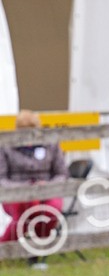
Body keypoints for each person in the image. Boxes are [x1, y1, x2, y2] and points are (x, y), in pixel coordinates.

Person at [0, 110, 67, 262]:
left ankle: (35, 253)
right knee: (27, 210)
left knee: (50, 211)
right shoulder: (6, 147)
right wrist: (25, 188)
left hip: (47, 193)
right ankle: (4, 249)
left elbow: (62, 174)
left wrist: (47, 186)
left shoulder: (51, 145)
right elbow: (1, 179)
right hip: (16, 195)